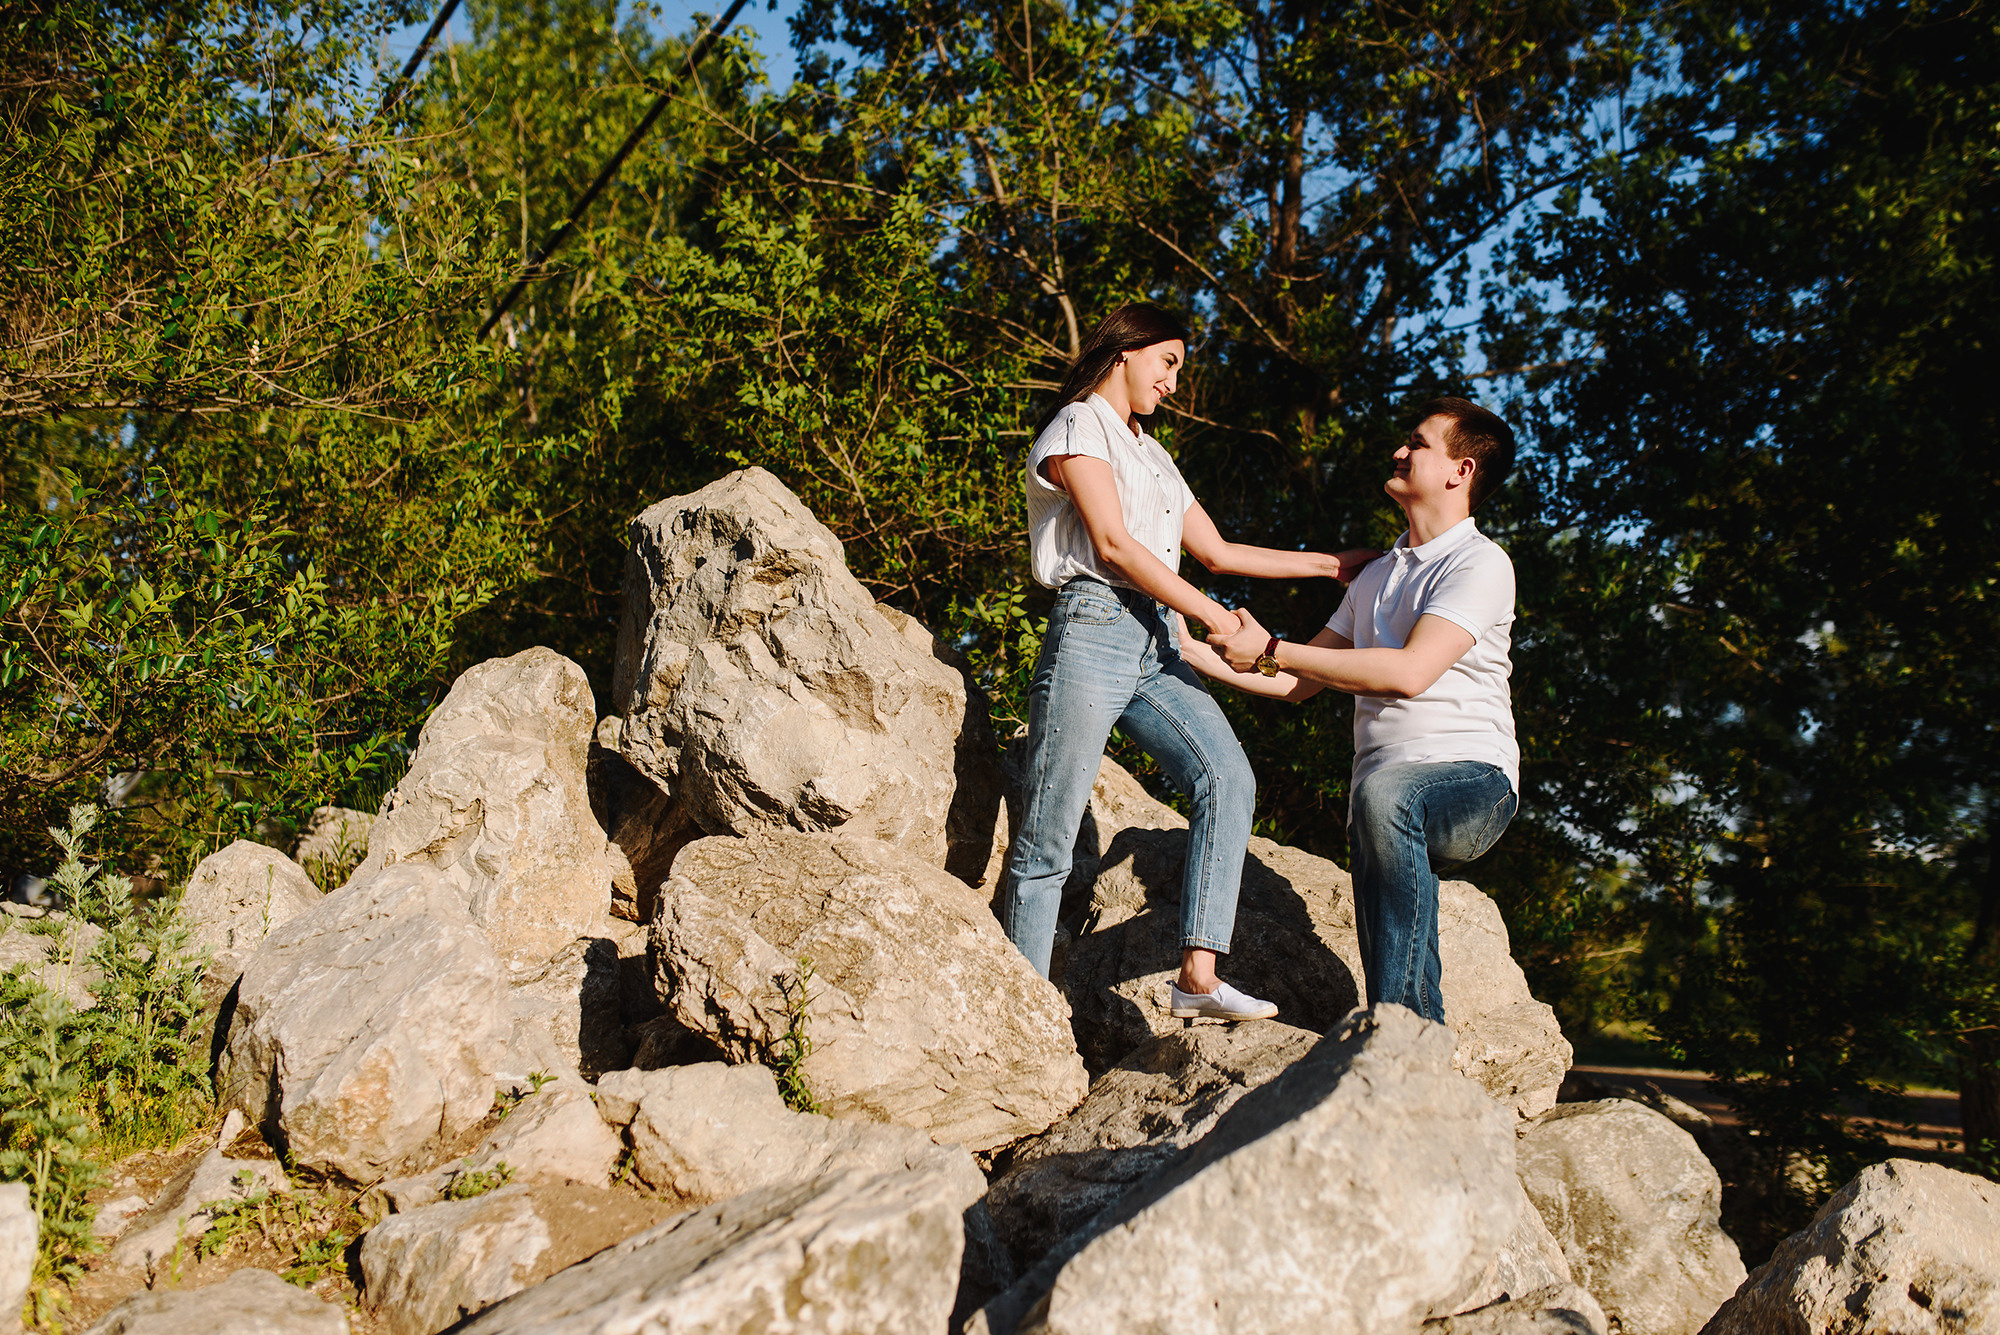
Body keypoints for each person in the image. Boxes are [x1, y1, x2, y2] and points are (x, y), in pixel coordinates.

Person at [1003, 302, 1373, 1020]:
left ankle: (1198, 977)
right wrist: (1213, 616)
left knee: (1228, 777)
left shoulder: (1154, 454)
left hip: (1155, 642)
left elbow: (1220, 552)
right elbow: (1112, 545)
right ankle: (1020, 1013)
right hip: (1093, 628)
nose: (1173, 383)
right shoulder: (1079, 425)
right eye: (1167, 363)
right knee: (1049, 837)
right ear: (1127, 350)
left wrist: (1332, 565)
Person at [1178, 397, 1519, 1024]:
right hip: (1383, 799)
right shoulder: (1375, 575)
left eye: (1417, 443)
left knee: (1385, 799)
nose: (1399, 451)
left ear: (1461, 470)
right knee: (1377, 807)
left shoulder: (1480, 562)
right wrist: (1192, 650)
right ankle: (1404, 1032)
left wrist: (1273, 647)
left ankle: (1405, 1032)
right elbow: (1298, 683)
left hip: (1473, 784)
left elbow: (1410, 672)